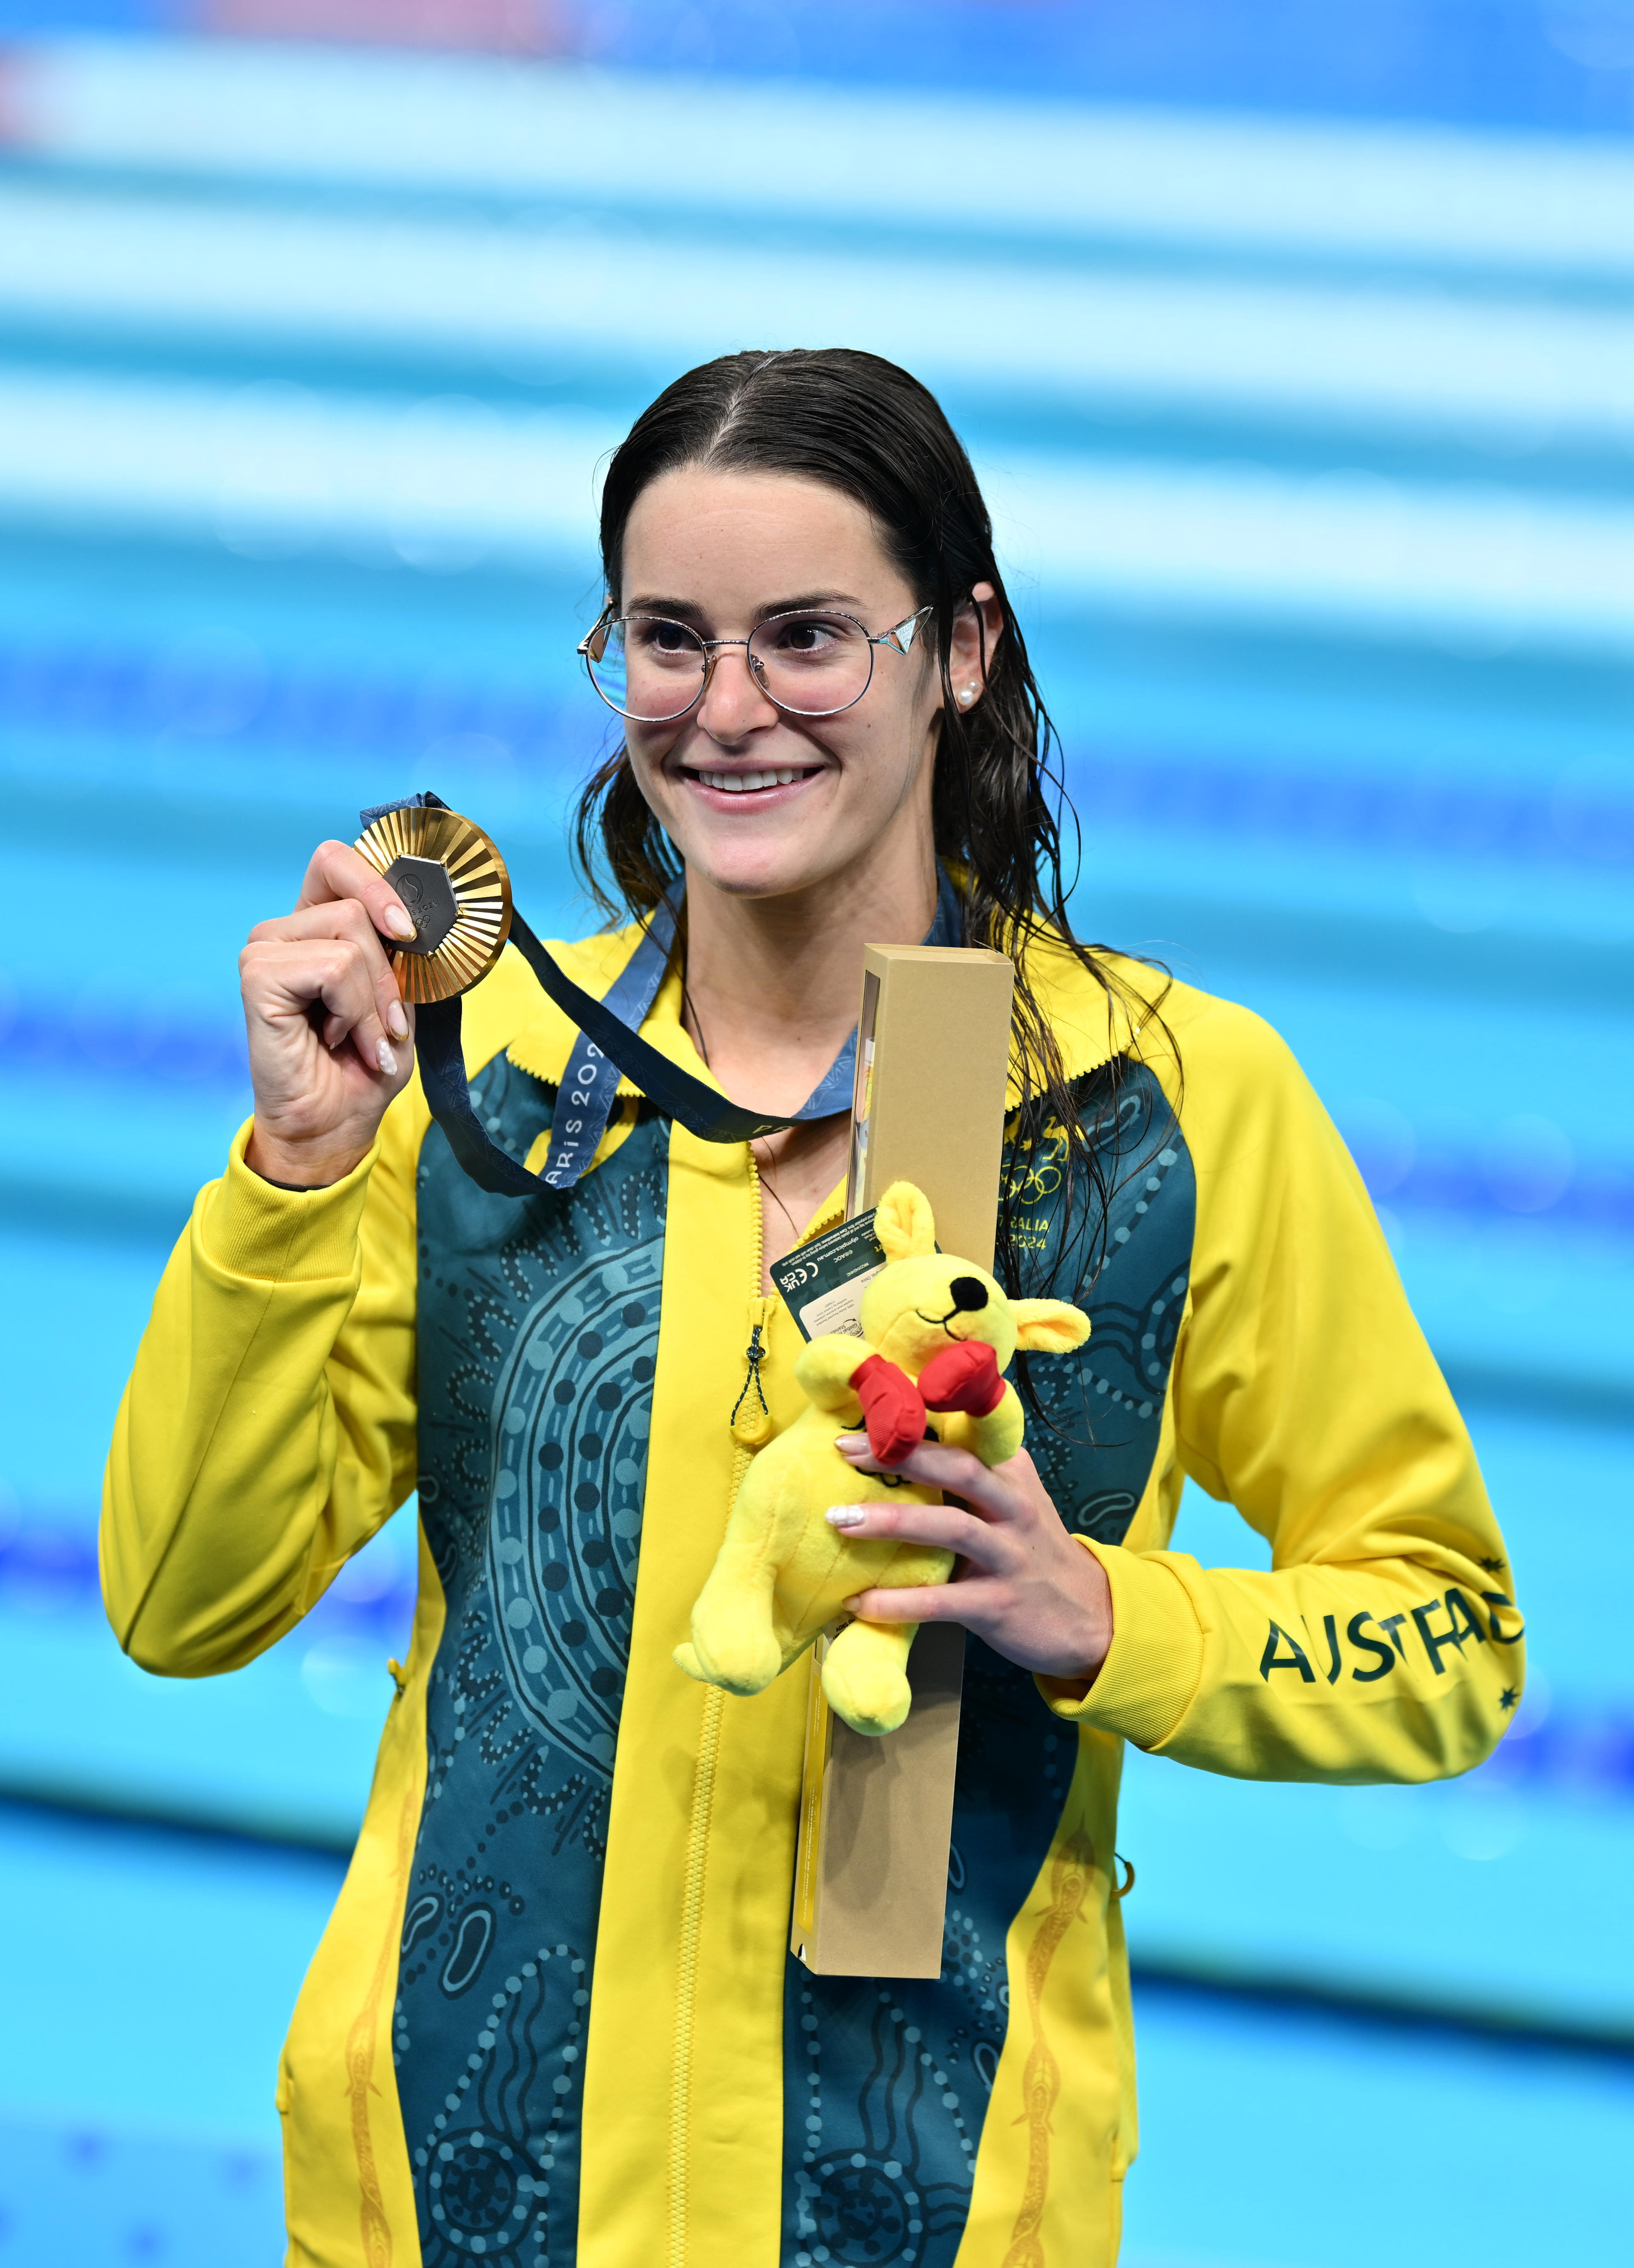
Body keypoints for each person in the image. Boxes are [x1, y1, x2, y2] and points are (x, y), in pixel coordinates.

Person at [101, 349, 1522, 2267]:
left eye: (811, 637)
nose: (730, 709)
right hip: (443, 2202)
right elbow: (185, 1599)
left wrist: (1107, 1611)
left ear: (963, 649)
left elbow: (1446, 1637)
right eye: (670, 639)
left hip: (932, 2213)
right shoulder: (482, 1064)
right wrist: (289, 1179)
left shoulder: (1171, 1103)